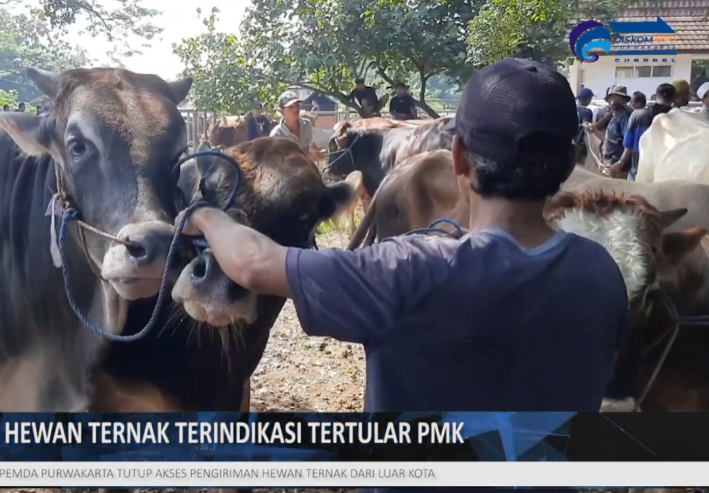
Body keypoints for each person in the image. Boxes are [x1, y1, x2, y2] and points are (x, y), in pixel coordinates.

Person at [180, 58, 626, 420]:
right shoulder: (601, 273)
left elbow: (253, 264)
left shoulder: (406, 271)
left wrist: (204, 215)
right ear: (571, 162)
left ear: (457, 156)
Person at [612, 83, 675, 181]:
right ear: (673, 99)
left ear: (656, 96)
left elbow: (628, 144)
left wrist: (621, 162)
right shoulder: (676, 118)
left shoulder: (638, 115)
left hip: (639, 168)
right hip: (666, 171)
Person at [588, 85, 632, 173]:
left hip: (616, 164)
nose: (613, 101)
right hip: (608, 161)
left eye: (617, 98)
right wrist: (594, 130)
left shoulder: (625, 117)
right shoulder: (614, 115)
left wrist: (620, 162)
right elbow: (608, 139)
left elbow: (628, 144)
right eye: (612, 98)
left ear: (623, 100)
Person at [269, 91, 323, 161]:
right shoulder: (276, 135)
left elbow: (310, 145)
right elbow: (277, 163)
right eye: (290, 107)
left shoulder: (307, 124)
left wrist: (319, 152)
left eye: (297, 105)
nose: (295, 109)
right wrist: (309, 159)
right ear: (282, 111)